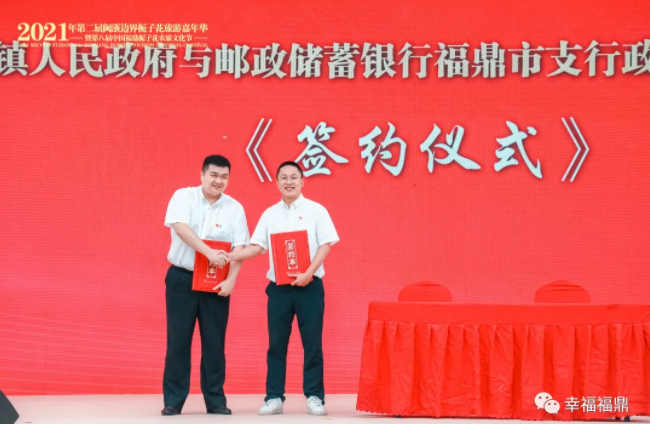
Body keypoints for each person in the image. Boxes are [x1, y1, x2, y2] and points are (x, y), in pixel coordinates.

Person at [220, 161, 339, 416]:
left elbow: (326, 244)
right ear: (276, 183)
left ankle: (315, 396)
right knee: (276, 345)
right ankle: (274, 397)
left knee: (312, 344)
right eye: (283, 177)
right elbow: (257, 247)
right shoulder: (269, 214)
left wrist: (308, 273)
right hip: (279, 290)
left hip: (310, 287)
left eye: (294, 177)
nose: (289, 182)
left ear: (302, 181)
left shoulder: (316, 211)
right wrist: (230, 255)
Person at [161, 155, 249, 416]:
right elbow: (181, 228)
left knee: (214, 342)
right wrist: (209, 252)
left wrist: (231, 280)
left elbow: (240, 247)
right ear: (202, 175)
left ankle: (215, 400)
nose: (218, 181)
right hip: (182, 278)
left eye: (224, 176)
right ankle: (174, 400)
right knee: (178, 341)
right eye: (213, 175)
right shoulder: (183, 197)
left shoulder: (235, 208)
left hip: (216, 282)